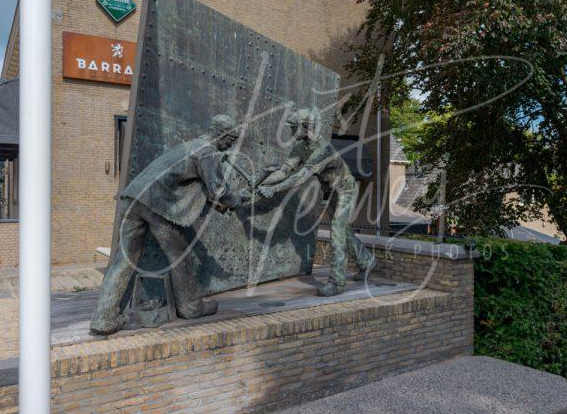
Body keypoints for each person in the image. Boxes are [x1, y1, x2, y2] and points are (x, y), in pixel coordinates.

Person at [90, 114, 247, 335]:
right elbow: (218, 190)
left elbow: (200, 190)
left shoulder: (190, 146)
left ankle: (103, 319)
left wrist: (220, 202)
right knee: (180, 255)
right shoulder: (207, 151)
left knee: (123, 260)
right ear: (222, 134)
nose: (230, 146)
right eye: (231, 140)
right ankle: (191, 307)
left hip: (132, 198)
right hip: (155, 204)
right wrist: (237, 200)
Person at [258, 107, 376, 296]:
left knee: (337, 233)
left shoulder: (323, 149)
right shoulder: (299, 148)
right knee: (343, 231)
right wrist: (262, 185)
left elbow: (301, 177)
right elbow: (285, 171)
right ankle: (367, 261)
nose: (290, 132)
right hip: (330, 192)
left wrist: (273, 189)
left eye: (293, 127)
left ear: (305, 127)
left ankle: (337, 283)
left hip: (346, 190)